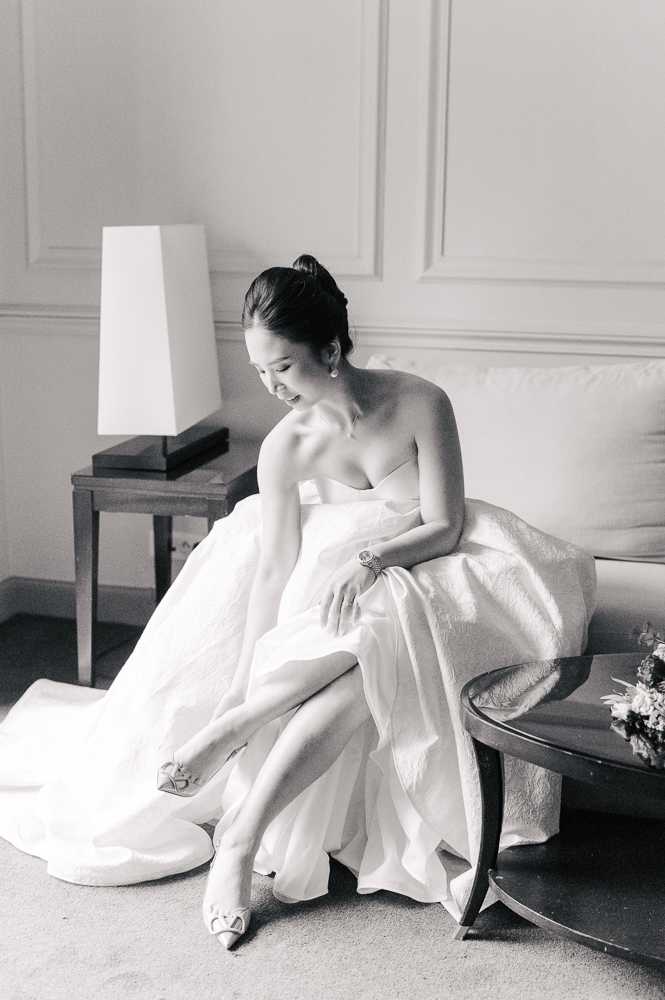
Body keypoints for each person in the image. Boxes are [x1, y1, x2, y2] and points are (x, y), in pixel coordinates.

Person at [0, 255, 596, 950]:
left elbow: (446, 523)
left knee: (381, 615)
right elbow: (274, 568)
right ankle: (241, 831)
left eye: (282, 367)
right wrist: (247, 672)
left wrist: (372, 560)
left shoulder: (419, 401)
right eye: (259, 370)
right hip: (359, 602)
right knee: (364, 656)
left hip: (443, 564)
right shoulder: (285, 447)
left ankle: (241, 796)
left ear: (333, 350)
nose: (271, 387)